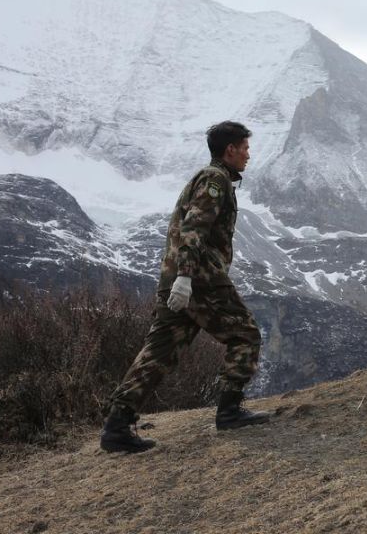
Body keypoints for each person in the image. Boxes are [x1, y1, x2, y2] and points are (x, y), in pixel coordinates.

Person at [100, 121, 270, 453]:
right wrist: (187, 277)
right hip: (201, 281)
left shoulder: (209, 178)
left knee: (159, 352)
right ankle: (230, 410)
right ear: (230, 150)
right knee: (246, 334)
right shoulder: (215, 179)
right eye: (245, 148)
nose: (249, 155)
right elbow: (194, 228)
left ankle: (117, 426)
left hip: (179, 280)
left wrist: (178, 279)